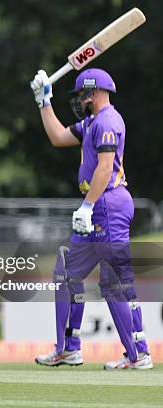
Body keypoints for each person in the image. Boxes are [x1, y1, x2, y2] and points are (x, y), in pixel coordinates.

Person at [30, 68, 152, 369]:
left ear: (94, 92)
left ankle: (138, 354)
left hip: (107, 204)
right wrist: (44, 101)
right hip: (99, 204)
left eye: (83, 94)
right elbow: (58, 137)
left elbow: (105, 168)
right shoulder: (92, 122)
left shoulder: (108, 120)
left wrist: (87, 206)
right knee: (67, 274)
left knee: (114, 283)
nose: (80, 100)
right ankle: (69, 348)